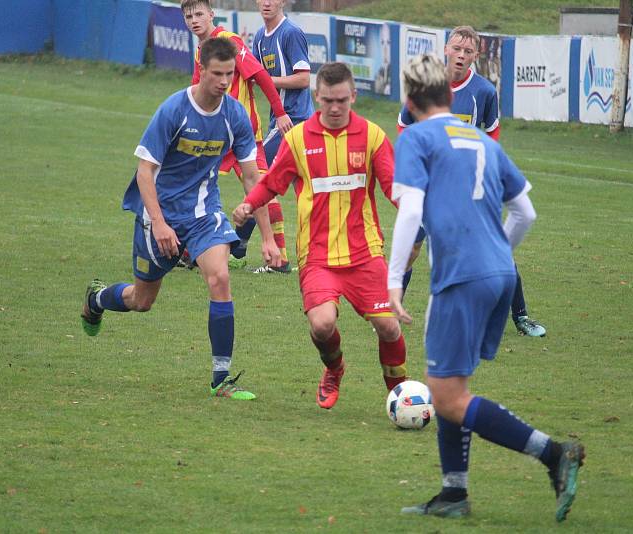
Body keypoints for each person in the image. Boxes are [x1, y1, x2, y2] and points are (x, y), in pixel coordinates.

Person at [388, 54, 584, 522]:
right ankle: (454, 494)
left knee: (448, 397)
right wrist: (499, 254)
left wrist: (393, 278)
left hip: (460, 275)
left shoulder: (415, 137)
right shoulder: (479, 138)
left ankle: (553, 453)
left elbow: (411, 210)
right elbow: (526, 213)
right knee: (451, 385)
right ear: (450, 95)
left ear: (409, 101)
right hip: (500, 273)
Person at [80, 38, 280, 401]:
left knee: (219, 277)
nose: (223, 81)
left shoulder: (234, 115)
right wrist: (158, 223)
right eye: (216, 74)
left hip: (204, 213)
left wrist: (268, 237)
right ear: (201, 69)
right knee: (142, 301)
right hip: (159, 213)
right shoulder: (174, 110)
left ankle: (221, 379)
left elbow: (254, 178)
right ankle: (96, 300)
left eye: (229, 75)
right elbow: (145, 172)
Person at [232, 62, 409, 410]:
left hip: (364, 252)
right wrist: (249, 205)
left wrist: (420, 211)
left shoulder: (372, 136)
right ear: (316, 97)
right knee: (322, 324)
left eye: (342, 100)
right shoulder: (298, 139)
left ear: (354, 97)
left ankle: (402, 396)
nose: (334, 107)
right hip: (317, 254)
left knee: (389, 328)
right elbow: (273, 182)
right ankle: (334, 368)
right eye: (327, 100)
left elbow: (394, 187)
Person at [397, 26, 546, 338]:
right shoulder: (428, 86)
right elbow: (404, 128)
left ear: (476, 56)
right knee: (411, 246)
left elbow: (492, 139)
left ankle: (521, 316)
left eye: (468, 51)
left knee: (493, 246)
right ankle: (393, 308)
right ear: (446, 49)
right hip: (432, 187)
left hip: (470, 188)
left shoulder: (484, 92)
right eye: (457, 49)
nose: (461, 56)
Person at [181, 0, 293, 273]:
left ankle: (279, 259)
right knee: (191, 187)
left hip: (243, 134)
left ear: (211, 14)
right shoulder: (201, 51)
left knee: (264, 191)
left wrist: (279, 113)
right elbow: (195, 91)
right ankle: (188, 251)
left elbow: (261, 76)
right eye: (188, 16)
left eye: (199, 14)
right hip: (213, 137)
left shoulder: (228, 42)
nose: (194, 20)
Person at [241, 0, 316, 272]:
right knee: (301, 190)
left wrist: (266, 80)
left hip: (294, 120)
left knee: (258, 177)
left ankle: (239, 242)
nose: (267, 2)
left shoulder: (290, 33)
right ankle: (278, 258)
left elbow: (304, 78)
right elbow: (252, 72)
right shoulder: (261, 37)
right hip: (279, 120)